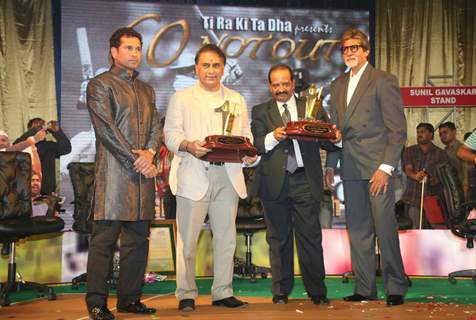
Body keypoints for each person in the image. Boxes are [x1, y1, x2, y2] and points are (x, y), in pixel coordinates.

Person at [164, 44, 256, 312]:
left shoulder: (237, 99)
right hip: (194, 172)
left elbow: (246, 135)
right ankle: (186, 293)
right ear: (196, 68)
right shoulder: (181, 98)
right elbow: (169, 136)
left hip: (228, 175)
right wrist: (189, 145)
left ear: (223, 69)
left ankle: (222, 291)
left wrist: (250, 154)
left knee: (226, 239)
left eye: (216, 65)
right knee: (188, 241)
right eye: (206, 65)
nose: (211, 70)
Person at [325, 28, 409, 306]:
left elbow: (397, 131)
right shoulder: (336, 85)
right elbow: (337, 131)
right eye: (345, 48)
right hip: (349, 166)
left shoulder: (383, 80)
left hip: (377, 169)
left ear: (366, 50)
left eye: (355, 47)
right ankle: (365, 289)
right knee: (358, 230)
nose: (350, 52)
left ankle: (395, 286)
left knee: (384, 228)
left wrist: (385, 168)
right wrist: (331, 163)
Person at [84, 27, 161, 320]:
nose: (135, 53)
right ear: (114, 52)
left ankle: (130, 299)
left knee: (138, 241)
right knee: (103, 242)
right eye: (129, 48)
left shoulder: (147, 90)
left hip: (142, 176)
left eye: (138, 48)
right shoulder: (99, 84)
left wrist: (151, 153)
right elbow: (106, 130)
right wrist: (137, 159)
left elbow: (156, 126)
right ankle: (96, 304)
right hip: (113, 176)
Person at [250, 64, 340, 305]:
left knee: (310, 238)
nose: (281, 89)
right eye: (276, 85)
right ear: (270, 87)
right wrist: (273, 137)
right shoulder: (260, 111)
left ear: (292, 84)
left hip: (304, 180)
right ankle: (280, 291)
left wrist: (337, 138)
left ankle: (317, 292)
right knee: (278, 239)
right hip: (273, 183)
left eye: (285, 84)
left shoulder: (312, 106)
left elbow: (328, 142)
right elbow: (256, 144)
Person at [402, 123, 449, 228]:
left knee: (436, 227)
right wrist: (416, 176)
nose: (419, 134)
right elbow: (408, 169)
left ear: (431, 135)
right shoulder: (409, 151)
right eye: (418, 132)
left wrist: (434, 179)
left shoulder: (440, 153)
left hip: (432, 197)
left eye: (422, 132)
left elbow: (444, 176)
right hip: (413, 197)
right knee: (415, 227)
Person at [14, 118, 72, 194]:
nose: (40, 128)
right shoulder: (23, 146)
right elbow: (14, 149)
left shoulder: (49, 146)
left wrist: (58, 132)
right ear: (29, 130)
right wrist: (34, 132)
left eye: (42, 126)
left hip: (47, 193)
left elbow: (66, 149)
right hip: (25, 193)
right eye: (36, 126)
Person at [439, 122, 469, 197]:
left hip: (464, 189)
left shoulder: (462, 149)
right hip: (451, 190)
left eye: (445, 132)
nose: (442, 136)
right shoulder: (444, 151)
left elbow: (466, 169)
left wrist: (465, 186)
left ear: (454, 132)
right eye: (440, 134)